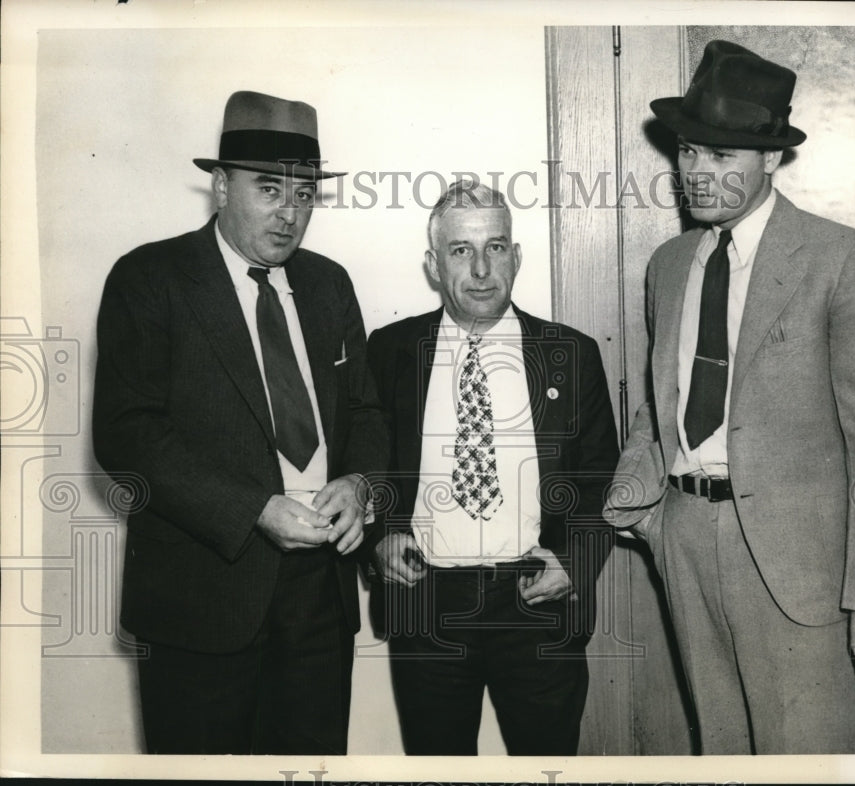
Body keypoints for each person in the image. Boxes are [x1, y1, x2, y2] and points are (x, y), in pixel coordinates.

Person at [604, 41, 855, 754]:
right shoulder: (669, 264)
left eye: (722, 158)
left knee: (804, 760)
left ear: (771, 160)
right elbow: (660, 401)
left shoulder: (845, 257)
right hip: (685, 539)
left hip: (800, 562)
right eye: (690, 153)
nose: (699, 174)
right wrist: (641, 504)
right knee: (720, 751)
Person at [92, 90, 387, 754]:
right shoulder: (149, 279)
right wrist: (254, 509)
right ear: (221, 187)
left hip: (321, 598)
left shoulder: (330, 285)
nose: (290, 212)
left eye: (305, 192)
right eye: (269, 188)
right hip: (201, 598)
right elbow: (126, 434)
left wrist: (361, 484)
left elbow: (365, 411)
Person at [365, 180, 619, 755]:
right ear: (433, 264)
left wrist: (575, 564)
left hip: (537, 599)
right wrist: (378, 540)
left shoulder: (572, 354)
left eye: (496, 247)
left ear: (516, 256)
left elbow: (600, 477)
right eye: (461, 250)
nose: (481, 269)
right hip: (426, 603)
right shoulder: (389, 352)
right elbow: (366, 464)